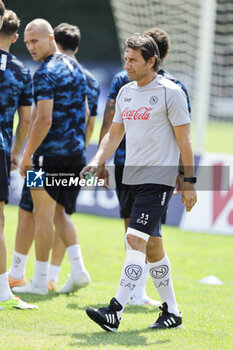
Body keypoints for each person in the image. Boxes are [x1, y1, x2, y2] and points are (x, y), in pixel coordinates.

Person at [82, 33, 197, 332]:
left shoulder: (171, 92)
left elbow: (185, 141)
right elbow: (114, 134)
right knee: (153, 249)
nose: (127, 64)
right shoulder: (125, 92)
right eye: (126, 58)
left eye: (133, 60)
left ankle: (115, 311)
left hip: (157, 179)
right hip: (130, 177)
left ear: (151, 61)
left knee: (133, 240)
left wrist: (189, 182)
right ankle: (172, 311)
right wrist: (98, 160)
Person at [8, 22, 99, 293]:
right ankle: (76, 269)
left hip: (47, 156)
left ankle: (38, 281)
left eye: (35, 41)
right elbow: (85, 115)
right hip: (75, 155)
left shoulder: (45, 72)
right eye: (27, 43)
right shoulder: (78, 70)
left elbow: (43, 119)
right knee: (60, 214)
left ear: (51, 39)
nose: (31, 47)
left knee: (42, 214)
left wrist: (27, 154)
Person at [0, 8, 37, 310]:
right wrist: (16, 153)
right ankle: (2, 291)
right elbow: (26, 121)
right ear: (15, 37)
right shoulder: (22, 71)